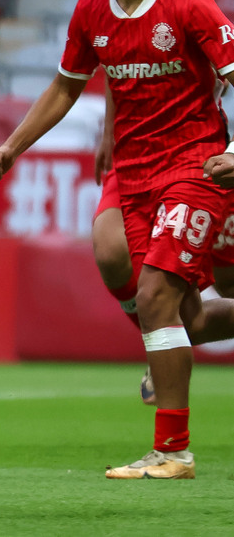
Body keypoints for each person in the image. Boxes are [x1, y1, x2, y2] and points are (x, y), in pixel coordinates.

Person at [0, 0, 234, 479]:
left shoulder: (191, 3)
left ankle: (173, 451)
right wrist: (11, 147)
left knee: (156, 297)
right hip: (133, 168)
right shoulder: (92, 6)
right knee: (149, 288)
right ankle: (161, 344)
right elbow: (68, 85)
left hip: (195, 165)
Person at [90, 85, 234, 405]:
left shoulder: (211, 36)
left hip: (208, 154)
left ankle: (162, 343)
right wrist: (109, 132)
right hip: (142, 152)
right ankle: (157, 345)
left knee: (208, 305)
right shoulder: (125, 38)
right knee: (111, 249)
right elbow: (119, 69)